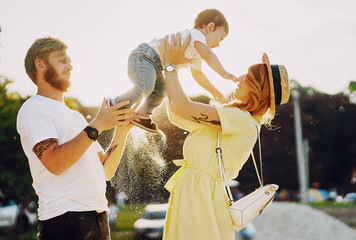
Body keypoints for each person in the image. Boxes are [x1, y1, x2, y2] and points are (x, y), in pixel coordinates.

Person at [161, 35, 290, 239]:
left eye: (248, 76)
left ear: (258, 87)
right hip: (197, 190)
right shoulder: (239, 119)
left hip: (200, 193)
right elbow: (177, 114)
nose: (238, 79)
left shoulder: (241, 120)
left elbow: (182, 107)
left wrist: (170, 65)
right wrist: (170, 71)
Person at [16, 37, 135, 240]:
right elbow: (55, 163)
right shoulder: (33, 108)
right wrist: (97, 125)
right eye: (62, 60)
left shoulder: (75, 117)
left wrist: (122, 129)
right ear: (41, 64)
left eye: (69, 61)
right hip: (65, 221)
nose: (70, 66)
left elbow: (105, 171)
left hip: (98, 217)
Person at [107, 8, 236, 133]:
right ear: (210, 27)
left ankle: (142, 115)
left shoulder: (196, 54)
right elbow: (208, 55)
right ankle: (115, 104)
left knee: (161, 91)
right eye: (220, 38)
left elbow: (198, 75)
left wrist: (213, 91)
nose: (219, 44)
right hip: (146, 56)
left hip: (155, 67)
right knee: (145, 87)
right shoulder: (196, 34)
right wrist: (224, 73)